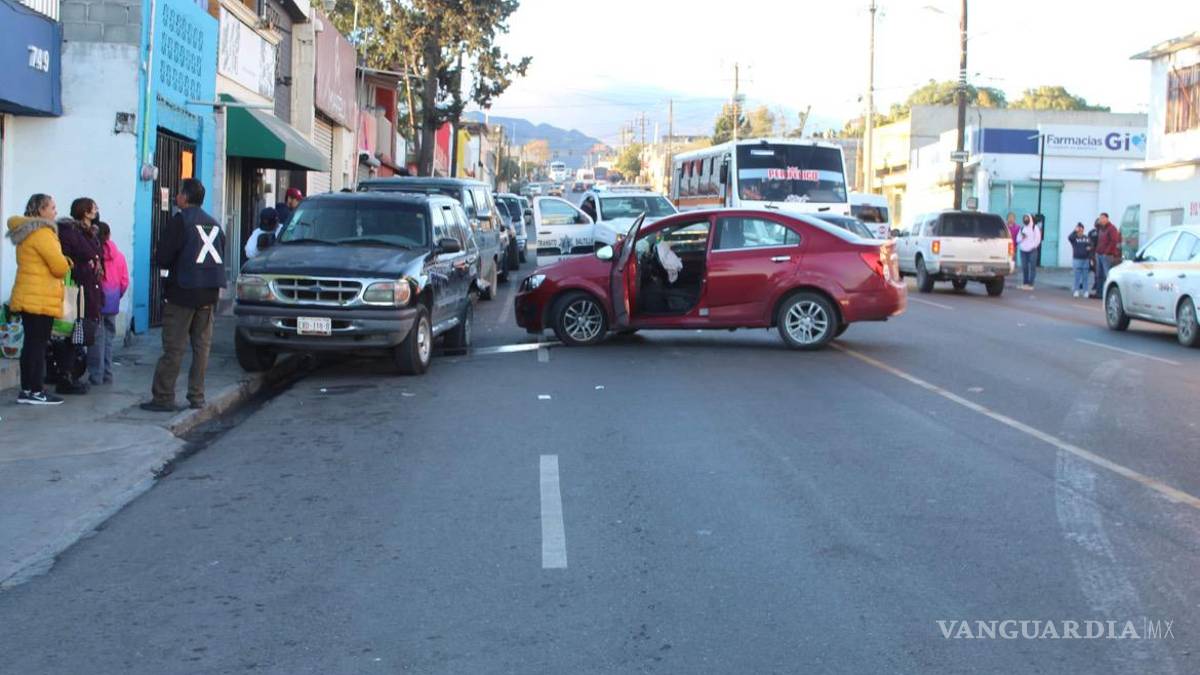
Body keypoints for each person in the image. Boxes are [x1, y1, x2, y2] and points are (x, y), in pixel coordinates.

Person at [141, 178, 226, 412]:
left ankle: (163, 396)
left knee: (174, 347)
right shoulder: (214, 224)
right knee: (202, 348)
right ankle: (197, 396)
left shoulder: (181, 221)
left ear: (185, 198)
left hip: (184, 292)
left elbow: (164, 257)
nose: (176, 196)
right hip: (209, 294)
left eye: (179, 193)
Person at [6, 194, 70, 405]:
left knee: (31, 344)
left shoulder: (26, 231)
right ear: (41, 210)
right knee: (38, 345)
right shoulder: (43, 233)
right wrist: (68, 261)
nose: (55, 211)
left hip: (29, 295)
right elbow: (59, 266)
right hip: (39, 297)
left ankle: (27, 390)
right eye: (52, 207)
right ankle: (35, 390)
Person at [53, 198, 105, 394]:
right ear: (85, 211)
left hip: (88, 289)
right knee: (68, 333)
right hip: (74, 289)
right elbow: (78, 256)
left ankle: (70, 374)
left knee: (79, 334)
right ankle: (65, 376)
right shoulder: (71, 233)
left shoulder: (91, 233)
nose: (97, 211)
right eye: (94, 207)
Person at [91, 221, 128, 384]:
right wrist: (117, 296)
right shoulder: (119, 256)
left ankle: (96, 375)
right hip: (112, 303)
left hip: (97, 301)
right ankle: (108, 373)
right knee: (109, 339)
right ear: (109, 235)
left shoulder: (93, 254)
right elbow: (124, 281)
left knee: (96, 339)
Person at [1094, 212, 1122, 296]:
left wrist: (1107, 252)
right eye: (1100, 218)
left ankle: (1107, 293)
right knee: (1099, 275)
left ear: (1107, 218)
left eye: (1102, 218)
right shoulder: (1101, 228)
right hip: (1099, 254)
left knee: (1107, 275)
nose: (1101, 220)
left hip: (1107, 255)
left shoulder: (1112, 228)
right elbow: (1095, 225)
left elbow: (1114, 241)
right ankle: (1099, 293)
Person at [1016, 213, 1041, 289]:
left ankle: (1031, 284)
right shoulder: (1022, 228)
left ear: (1030, 219)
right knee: (1024, 267)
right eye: (1024, 218)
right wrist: (1023, 237)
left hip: (1032, 250)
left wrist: (1033, 247)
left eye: (1027, 218)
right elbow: (1017, 239)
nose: (1025, 220)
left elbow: (1038, 239)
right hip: (1023, 250)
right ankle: (1025, 283)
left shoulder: (1035, 228)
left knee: (1032, 267)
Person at [1067, 222, 1092, 298]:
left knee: (1085, 277)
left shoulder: (1086, 238)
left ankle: (1086, 291)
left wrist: (1090, 248)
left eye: (1081, 228)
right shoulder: (1074, 238)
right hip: (1077, 259)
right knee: (1077, 276)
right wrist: (1075, 231)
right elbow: (1069, 237)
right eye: (1079, 228)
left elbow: (1091, 245)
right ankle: (1076, 290)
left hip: (1086, 259)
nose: (1080, 230)